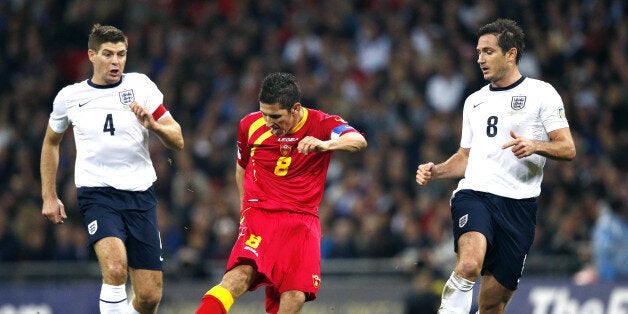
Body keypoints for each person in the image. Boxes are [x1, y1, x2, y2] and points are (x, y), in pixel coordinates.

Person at [415, 18, 576, 314]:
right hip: (476, 195)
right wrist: (437, 170)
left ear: (511, 54)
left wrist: (536, 145)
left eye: (488, 52)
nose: (480, 59)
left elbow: (567, 148)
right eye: (478, 52)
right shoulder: (475, 101)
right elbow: (466, 157)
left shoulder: (542, 93)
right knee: (468, 264)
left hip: (519, 206)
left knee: (492, 305)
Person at [40, 24, 184, 314]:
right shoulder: (70, 97)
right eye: (108, 54)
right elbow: (50, 144)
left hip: (141, 197)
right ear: (92, 55)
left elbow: (177, 139)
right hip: (98, 195)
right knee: (116, 269)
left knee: (148, 296)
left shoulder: (141, 87)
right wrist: (49, 195)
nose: (116, 61)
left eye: (121, 54)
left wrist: (154, 126)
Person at [195, 72, 367, 314]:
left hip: (302, 220)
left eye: (275, 116)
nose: (268, 122)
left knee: (294, 296)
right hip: (261, 213)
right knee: (240, 276)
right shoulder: (248, 125)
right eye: (264, 114)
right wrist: (246, 210)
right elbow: (241, 169)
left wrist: (325, 145)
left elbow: (357, 140)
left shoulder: (322, 123)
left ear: (295, 109)